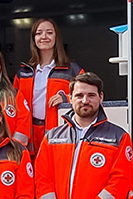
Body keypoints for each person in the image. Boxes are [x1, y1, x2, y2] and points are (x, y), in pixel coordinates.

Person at [13, 18, 83, 151]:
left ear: (56, 37)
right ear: (33, 39)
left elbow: (87, 97)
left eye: (49, 33)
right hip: (29, 133)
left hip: (59, 131)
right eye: (39, 33)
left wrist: (66, 99)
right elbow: (11, 104)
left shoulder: (73, 70)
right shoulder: (23, 72)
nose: (44, 37)